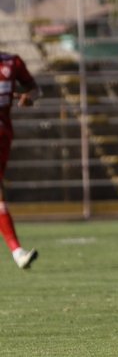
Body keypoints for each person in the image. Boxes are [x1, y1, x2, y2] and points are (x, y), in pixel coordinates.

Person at [0, 51, 41, 269]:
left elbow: (35, 89)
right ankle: (17, 252)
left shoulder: (11, 62)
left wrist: (29, 97)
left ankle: (17, 252)